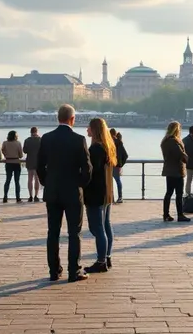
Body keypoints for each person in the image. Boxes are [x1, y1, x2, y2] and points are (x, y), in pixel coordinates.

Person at [37, 104, 93, 282]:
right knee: (74, 233)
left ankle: (54, 271)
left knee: (52, 232)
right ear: (73, 119)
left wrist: (47, 182)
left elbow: (39, 166)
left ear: (57, 118)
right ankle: (73, 270)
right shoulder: (78, 139)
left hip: (52, 191)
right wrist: (80, 184)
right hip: (72, 191)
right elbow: (87, 168)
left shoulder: (46, 138)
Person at [83, 117, 117, 274]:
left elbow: (91, 172)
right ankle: (107, 256)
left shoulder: (95, 149)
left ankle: (101, 261)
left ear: (95, 130)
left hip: (96, 192)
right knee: (106, 225)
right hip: (108, 191)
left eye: (89, 128)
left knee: (96, 228)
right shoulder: (109, 146)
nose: (86, 130)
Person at [160, 122, 190, 223]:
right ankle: (180, 215)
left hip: (169, 170)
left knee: (168, 193)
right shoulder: (173, 141)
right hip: (177, 170)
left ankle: (166, 214)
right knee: (179, 194)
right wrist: (186, 157)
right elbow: (181, 155)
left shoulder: (165, 141)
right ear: (176, 130)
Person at [2, 130, 24, 204]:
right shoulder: (18, 143)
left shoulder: (5, 143)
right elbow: (21, 155)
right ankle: (18, 198)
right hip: (16, 163)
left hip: (8, 162)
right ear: (15, 136)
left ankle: (5, 197)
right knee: (17, 181)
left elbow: (2, 150)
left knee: (7, 180)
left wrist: (6, 155)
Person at [23, 127, 43, 203]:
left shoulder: (27, 140)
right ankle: (36, 196)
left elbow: (24, 151)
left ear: (30, 132)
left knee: (30, 179)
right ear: (37, 132)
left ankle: (30, 196)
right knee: (37, 179)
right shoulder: (41, 140)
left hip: (29, 161)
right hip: (38, 162)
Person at [110, 129, 128, 204]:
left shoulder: (109, 142)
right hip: (117, 165)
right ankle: (120, 197)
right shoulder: (119, 143)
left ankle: (111, 197)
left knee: (110, 182)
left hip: (110, 165)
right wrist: (120, 164)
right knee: (118, 181)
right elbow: (125, 155)